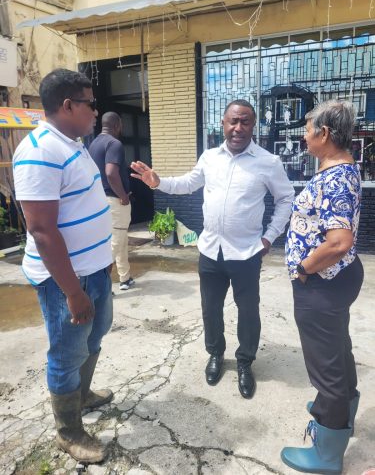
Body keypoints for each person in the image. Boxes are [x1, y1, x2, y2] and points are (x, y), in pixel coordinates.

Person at [131, 99, 294, 399]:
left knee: (248, 311)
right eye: (233, 121)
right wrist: (158, 182)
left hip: (246, 253)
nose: (238, 127)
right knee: (210, 309)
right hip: (210, 251)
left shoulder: (268, 162)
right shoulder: (209, 158)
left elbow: (286, 199)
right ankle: (216, 354)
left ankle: (245, 362)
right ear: (223, 123)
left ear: (253, 125)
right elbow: (186, 184)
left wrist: (269, 237)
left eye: (245, 121)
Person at [13, 69, 114, 464]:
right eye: (90, 103)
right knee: (66, 352)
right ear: (68, 105)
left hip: (94, 268)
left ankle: (82, 394)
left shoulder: (72, 143)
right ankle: (68, 431)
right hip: (65, 281)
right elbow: (41, 231)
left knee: (96, 333)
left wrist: (102, 264)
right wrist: (73, 292)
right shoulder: (39, 151)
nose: (95, 112)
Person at [281, 100, 364, 474]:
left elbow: (338, 242)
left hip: (322, 282)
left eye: (308, 128)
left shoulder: (334, 178)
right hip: (335, 279)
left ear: (324, 134)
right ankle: (340, 410)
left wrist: (303, 268)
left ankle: (327, 454)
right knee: (337, 350)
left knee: (325, 365)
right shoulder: (340, 170)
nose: (304, 135)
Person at [88, 112, 135, 291]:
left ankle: (125, 277)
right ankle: (99, 286)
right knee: (115, 243)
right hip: (115, 201)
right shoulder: (114, 143)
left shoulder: (93, 144)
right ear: (117, 125)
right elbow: (110, 173)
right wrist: (123, 195)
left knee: (120, 239)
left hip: (100, 200)